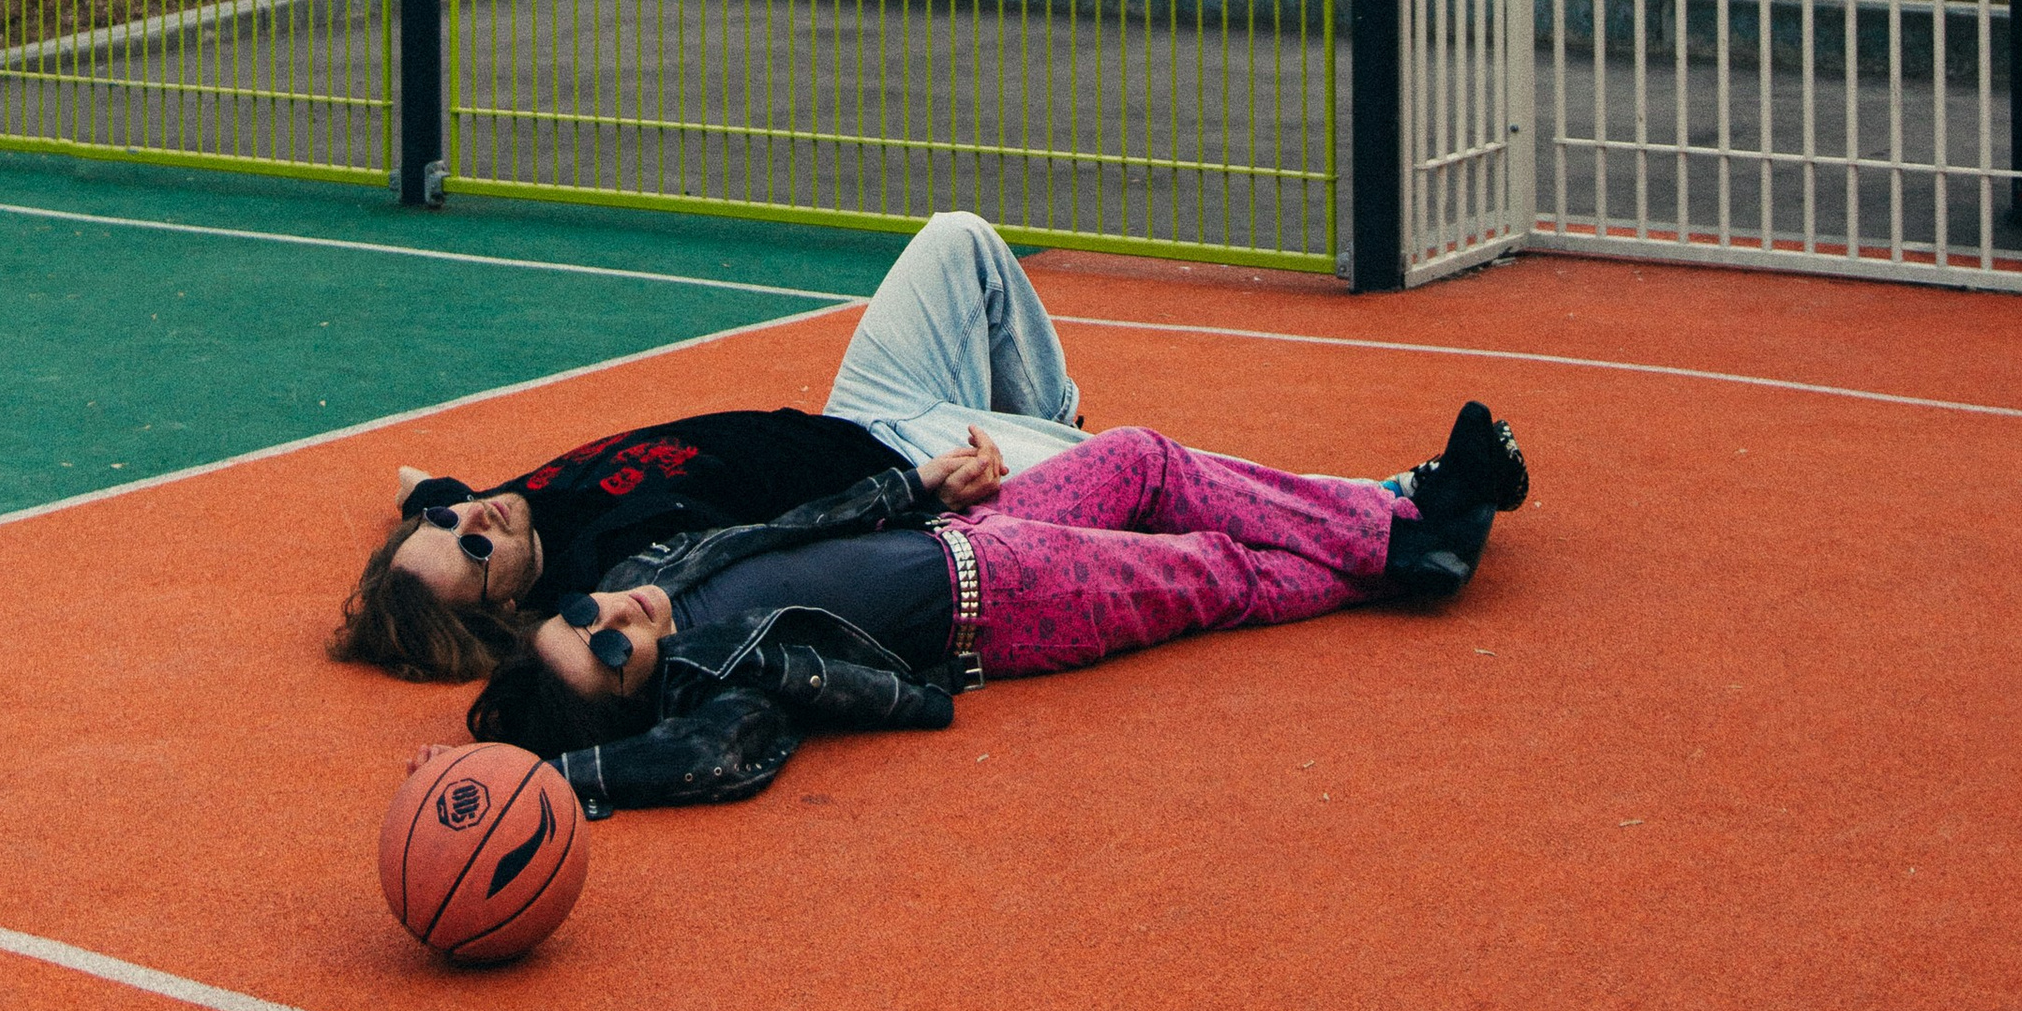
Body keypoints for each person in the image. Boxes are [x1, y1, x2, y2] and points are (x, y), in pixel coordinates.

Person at [447, 401, 1532, 816]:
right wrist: (552, 775)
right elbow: (711, 763)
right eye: (613, 653)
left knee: (1141, 460)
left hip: (960, 533)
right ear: (647, 694)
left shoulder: (676, 572)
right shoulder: (723, 682)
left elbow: (802, 526)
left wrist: (916, 484)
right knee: (1213, 570)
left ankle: (1408, 522)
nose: (612, 617)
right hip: (1004, 598)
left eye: (583, 614)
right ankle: (1407, 534)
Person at [332, 212, 1096, 684]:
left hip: (861, 410)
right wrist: (926, 493)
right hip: (909, 472)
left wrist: (420, 495)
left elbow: (430, 495)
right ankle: (1060, 477)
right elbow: (783, 547)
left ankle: (1056, 428)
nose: (473, 520)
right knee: (1145, 466)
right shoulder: (613, 570)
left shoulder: (497, 508)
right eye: (469, 549)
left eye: (444, 522)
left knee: (957, 237)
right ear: (502, 604)